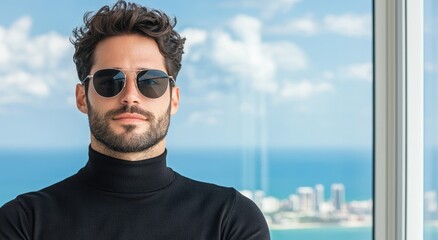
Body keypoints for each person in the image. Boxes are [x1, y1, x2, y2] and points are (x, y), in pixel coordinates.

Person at [0, 1, 270, 239]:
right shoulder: (24, 223)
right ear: (82, 97)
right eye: (109, 81)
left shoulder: (230, 220)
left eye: (150, 81)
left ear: (173, 99)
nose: (130, 97)